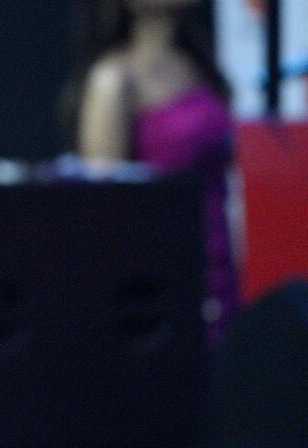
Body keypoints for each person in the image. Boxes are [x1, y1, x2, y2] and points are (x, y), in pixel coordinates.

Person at [69, 0, 239, 348]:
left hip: (221, 268)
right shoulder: (114, 79)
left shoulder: (198, 67)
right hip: (165, 283)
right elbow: (102, 213)